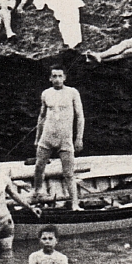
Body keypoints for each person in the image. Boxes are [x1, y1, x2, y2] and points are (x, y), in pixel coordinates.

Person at [33, 66, 85, 210]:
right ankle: (37, 191)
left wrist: (79, 138)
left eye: (59, 76)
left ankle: (75, 203)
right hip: (47, 136)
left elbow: (80, 116)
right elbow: (42, 116)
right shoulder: (46, 93)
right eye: (54, 76)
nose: (57, 79)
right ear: (50, 78)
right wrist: (37, 138)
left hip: (65, 138)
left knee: (68, 173)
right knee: (39, 166)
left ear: (64, 77)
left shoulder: (72, 92)